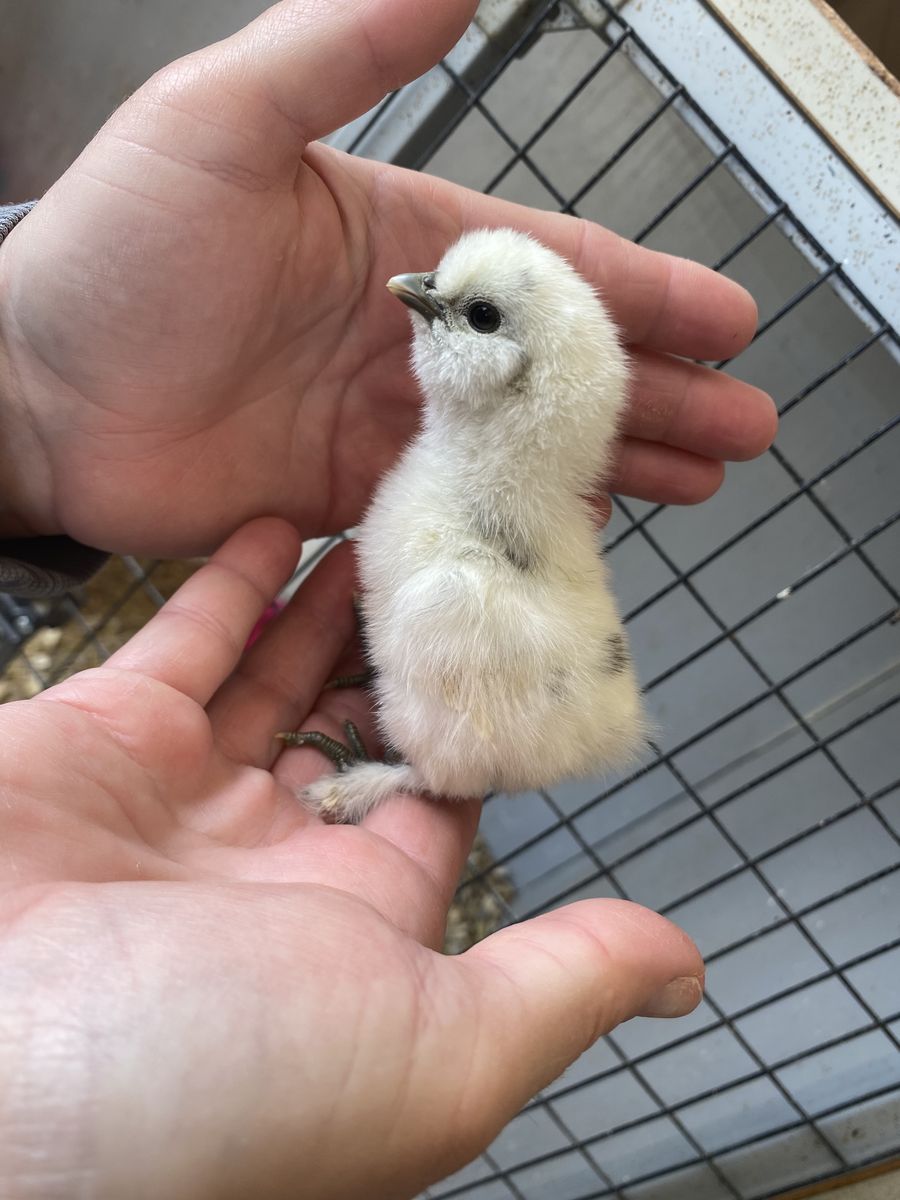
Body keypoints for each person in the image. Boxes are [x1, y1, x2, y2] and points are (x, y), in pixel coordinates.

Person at [0, 1, 777, 1195]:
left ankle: (434, 771)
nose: (418, 292)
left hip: (512, 676)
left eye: (465, 314)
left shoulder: (464, 565)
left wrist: (30, 392)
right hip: (535, 654)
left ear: (517, 372)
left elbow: (546, 668)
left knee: (447, 603)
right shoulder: (465, 508)